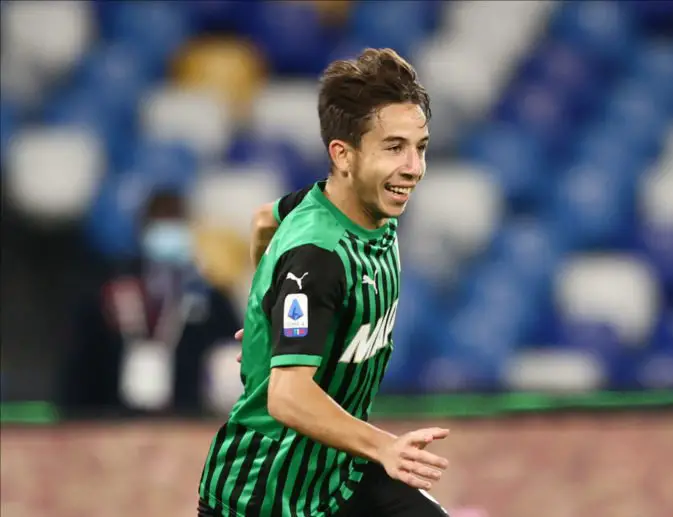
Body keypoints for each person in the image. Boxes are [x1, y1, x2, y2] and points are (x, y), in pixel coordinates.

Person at [197, 48, 450, 517]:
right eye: (394, 148)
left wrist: (268, 314)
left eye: (421, 147)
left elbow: (262, 220)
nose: (414, 167)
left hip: (338, 477)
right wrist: (385, 446)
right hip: (265, 496)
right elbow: (287, 396)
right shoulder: (320, 257)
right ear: (343, 155)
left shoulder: (350, 204)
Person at [60, 188, 241, 416]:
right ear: (143, 230)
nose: (168, 234)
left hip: (188, 418)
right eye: (160, 223)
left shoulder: (210, 298)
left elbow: (233, 358)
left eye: (175, 223)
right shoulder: (109, 293)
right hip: (112, 418)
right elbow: (80, 366)